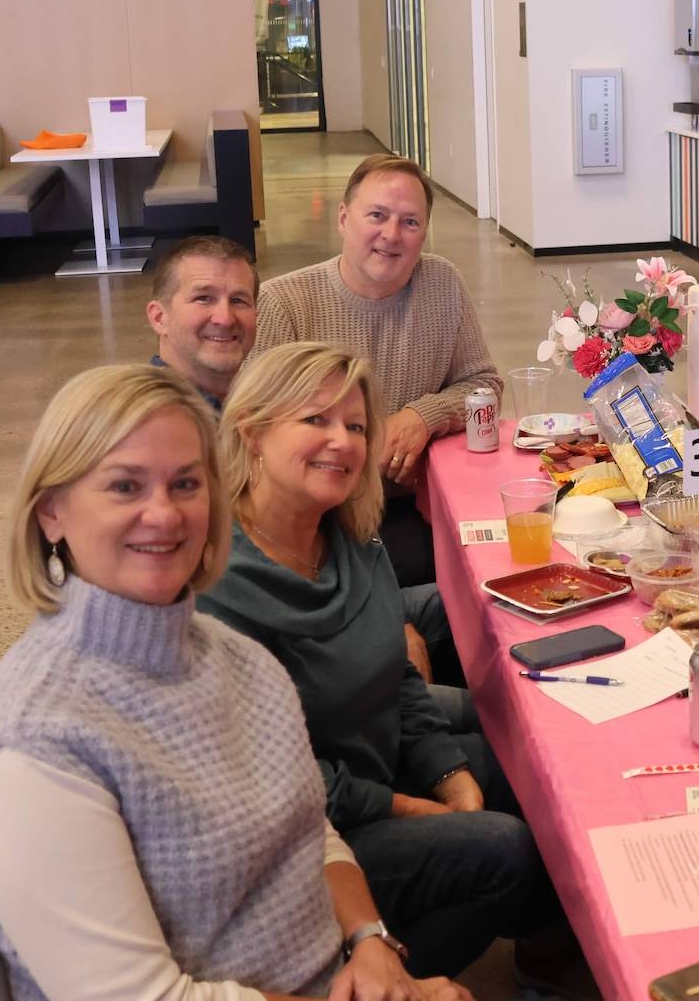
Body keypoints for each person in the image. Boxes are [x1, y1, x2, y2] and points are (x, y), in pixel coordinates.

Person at [0, 363, 462, 1001]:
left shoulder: (231, 657)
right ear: (50, 511)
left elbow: (307, 829)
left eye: (185, 483)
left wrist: (372, 943)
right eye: (125, 486)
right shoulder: (35, 746)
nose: (163, 514)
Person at [200, 342, 575, 990]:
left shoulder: (348, 531)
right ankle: (359, 979)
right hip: (308, 840)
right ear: (252, 432)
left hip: (378, 762)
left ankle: (548, 960)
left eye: (355, 426)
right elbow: (280, 784)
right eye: (315, 420)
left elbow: (396, 673)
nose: (342, 442)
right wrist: (415, 810)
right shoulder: (219, 586)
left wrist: (449, 771)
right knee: (503, 848)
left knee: (548, 770)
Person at [253, 154, 500, 589]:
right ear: (344, 219)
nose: (391, 235)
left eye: (410, 222)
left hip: (414, 505)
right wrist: (367, 444)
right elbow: (257, 431)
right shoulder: (285, 303)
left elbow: (485, 387)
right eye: (377, 216)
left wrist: (424, 415)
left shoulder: (442, 284)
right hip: (321, 518)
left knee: (493, 574)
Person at [144, 235, 258, 410]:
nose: (225, 319)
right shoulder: (141, 423)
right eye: (203, 298)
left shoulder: (267, 409)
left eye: (238, 300)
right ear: (159, 317)